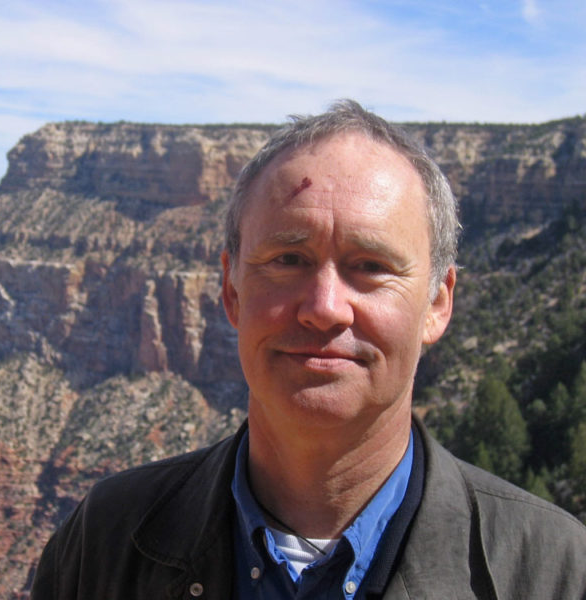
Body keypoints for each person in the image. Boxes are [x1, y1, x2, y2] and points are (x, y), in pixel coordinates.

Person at [30, 100, 586, 599]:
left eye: (371, 267)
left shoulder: (553, 571)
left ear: (437, 304)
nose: (323, 307)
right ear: (230, 291)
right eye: (287, 260)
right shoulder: (105, 543)